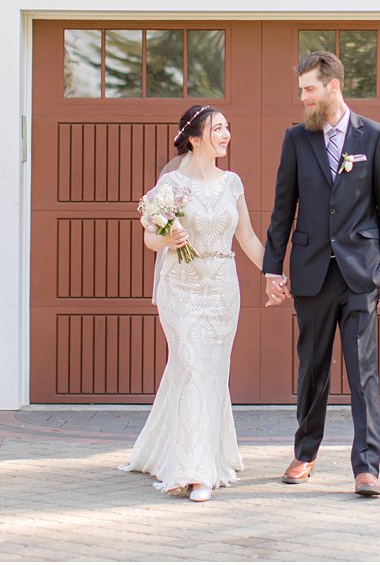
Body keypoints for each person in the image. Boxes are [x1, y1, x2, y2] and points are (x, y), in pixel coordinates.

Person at [264, 50, 380, 497]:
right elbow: (283, 209)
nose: (302, 97)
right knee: (312, 369)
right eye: (301, 89)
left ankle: (367, 467)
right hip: (311, 273)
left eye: (309, 89)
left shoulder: (374, 135)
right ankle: (305, 453)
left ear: (333, 87)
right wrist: (271, 268)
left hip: (361, 272)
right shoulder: (296, 139)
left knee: (363, 373)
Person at [122, 104, 273, 503]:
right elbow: (151, 238)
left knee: (208, 371)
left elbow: (248, 239)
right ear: (194, 137)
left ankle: (206, 450)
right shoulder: (171, 184)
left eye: (227, 127)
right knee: (189, 362)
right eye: (216, 129)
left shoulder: (232, 183)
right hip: (181, 288)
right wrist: (167, 239)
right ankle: (194, 471)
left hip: (222, 288)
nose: (225, 135)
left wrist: (274, 273)